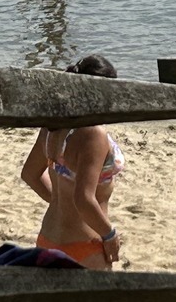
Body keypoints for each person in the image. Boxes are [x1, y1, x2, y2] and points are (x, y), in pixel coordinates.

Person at [21, 55, 126, 268]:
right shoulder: (93, 134)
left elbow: (30, 174)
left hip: (47, 239)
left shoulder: (53, 126)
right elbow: (84, 199)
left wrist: (60, 202)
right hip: (84, 246)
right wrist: (110, 235)